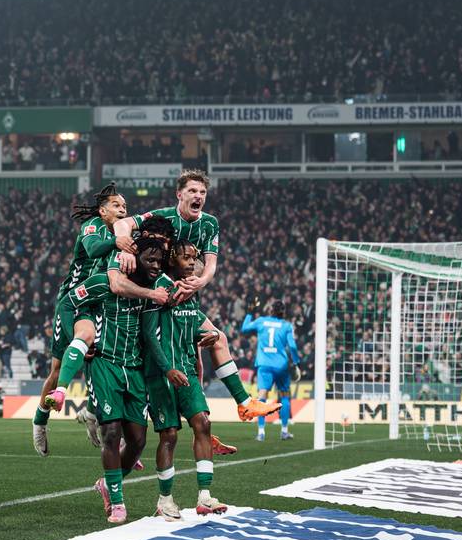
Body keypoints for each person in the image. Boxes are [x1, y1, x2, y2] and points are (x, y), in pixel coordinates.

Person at [112, 169, 281, 422]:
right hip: (155, 299)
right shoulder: (163, 216)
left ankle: (238, 406)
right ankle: (106, 410)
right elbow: (122, 223)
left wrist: (200, 282)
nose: (198, 196)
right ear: (179, 194)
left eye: (202, 192)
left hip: (185, 298)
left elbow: (210, 264)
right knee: (146, 356)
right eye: (192, 190)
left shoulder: (210, 223)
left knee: (211, 347)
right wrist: (125, 246)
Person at [32, 182, 160, 456]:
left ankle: (92, 412)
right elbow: (92, 250)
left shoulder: (125, 234)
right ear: (102, 211)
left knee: (102, 356)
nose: (122, 209)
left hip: (101, 301)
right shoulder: (93, 227)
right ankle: (40, 420)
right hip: (74, 299)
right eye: (116, 205)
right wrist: (117, 242)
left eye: (125, 206)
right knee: (59, 368)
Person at [52, 236, 173, 524]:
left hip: (135, 368)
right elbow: (67, 304)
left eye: (159, 261)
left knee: (138, 440)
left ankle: (107, 484)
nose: (156, 266)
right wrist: (77, 338)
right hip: (104, 363)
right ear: (134, 258)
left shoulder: (157, 286)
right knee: (111, 432)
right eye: (150, 260)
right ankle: (117, 503)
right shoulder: (103, 282)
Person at [142, 240, 228, 521]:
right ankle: (165, 499)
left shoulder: (191, 290)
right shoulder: (159, 288)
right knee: (169, 434)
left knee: (203, 423)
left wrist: (208, 335)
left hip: (187, 370)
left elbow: (189, 328)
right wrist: (167, 369)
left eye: (194, 257)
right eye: (185, 258)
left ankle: (205, 497)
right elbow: (149, 334)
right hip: (161, 373)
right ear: (171, 260)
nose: (192, 262)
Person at [240, 299, 300, 441]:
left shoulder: (261, 321)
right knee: (284, 396)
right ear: (283, 312)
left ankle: (261, 433)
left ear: (271, 310)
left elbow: (244, 329)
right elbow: (292, 346)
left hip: (264, 365)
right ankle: (284, 431)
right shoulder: (286, 325)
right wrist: (296, 362)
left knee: (262, 397)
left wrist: (249, 313)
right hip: (281, 366)